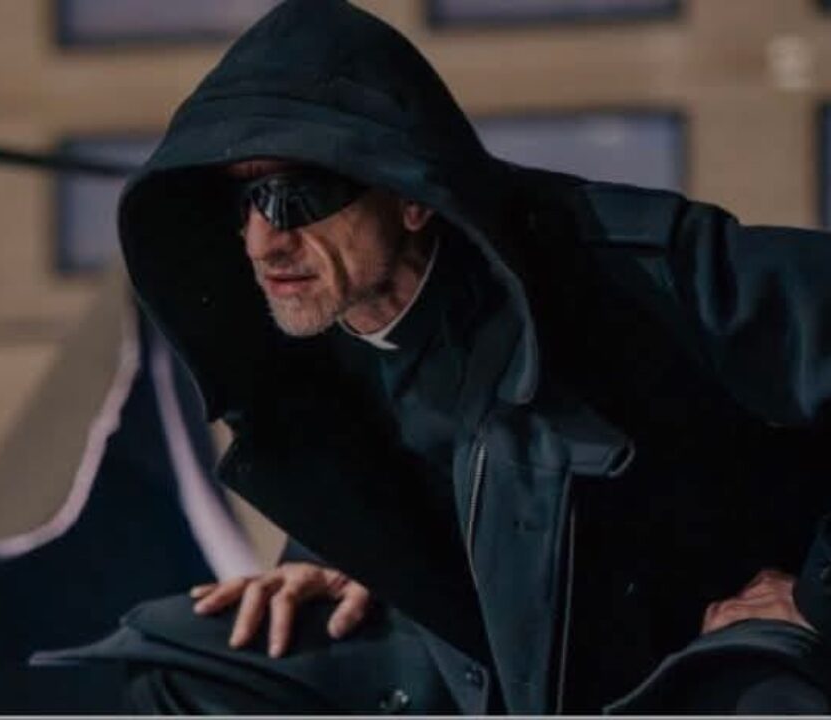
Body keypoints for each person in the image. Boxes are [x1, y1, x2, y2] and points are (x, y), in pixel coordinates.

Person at [105, 0, 831, 712]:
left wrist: (814, 596)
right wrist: (333, 558)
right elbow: (402, 457)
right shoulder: (322, 320)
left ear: (411, 198)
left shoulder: (639, 271)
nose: (264, 242)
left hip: (698, 657)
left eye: (295, 196)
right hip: (496, 661)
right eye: (243, 204)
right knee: (183, 656)